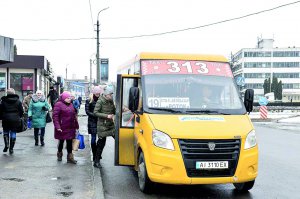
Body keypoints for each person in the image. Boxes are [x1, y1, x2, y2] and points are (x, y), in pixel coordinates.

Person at [53, 91, 79, 164]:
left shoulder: (71, 104)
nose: (69, 99)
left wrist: (76, 125)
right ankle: (59, 154)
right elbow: (55, 117)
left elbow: (74, 116)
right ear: (64, 98)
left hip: (70, 127)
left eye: (70, 98)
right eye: (68, 98)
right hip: (62, 127)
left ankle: (70, 158)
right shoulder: (58, 104)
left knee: (70, 142)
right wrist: (58, 126)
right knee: (61, 141)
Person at [93, 85, 116, 168]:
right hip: (102, 126)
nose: (111, 96)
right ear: (106, 95)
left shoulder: (110, 100)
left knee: (119, 140)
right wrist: (107, 116)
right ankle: (96, 162)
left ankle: (124, 158)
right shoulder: (100, 101)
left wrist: (122, 110)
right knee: (101, 145)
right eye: (110, 94)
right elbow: (95, 112)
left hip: (111, 125)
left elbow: (114, 110)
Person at [0, 88, 24, 154]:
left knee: (5, 132)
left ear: (7, 93)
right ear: (14, 93)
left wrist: (1, 117)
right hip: (15, 119)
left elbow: (0, 110)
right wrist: (19, 116)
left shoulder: (3, 101)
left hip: (6, 118)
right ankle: (11, 149)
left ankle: (6, 145)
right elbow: (21, 111)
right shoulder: (18, 101)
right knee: (13, 132)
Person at [85, 86, 103, 162]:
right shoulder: (89, 100)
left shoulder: (101, 100)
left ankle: (97, 155)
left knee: (100, 140)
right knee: (93, 140)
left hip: (100, 122)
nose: (98, 94)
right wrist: (95, 114)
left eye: (99, 93)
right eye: (96, 93)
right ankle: (94, 154)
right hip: (92, 122)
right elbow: (87, 111)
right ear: (94, 93)